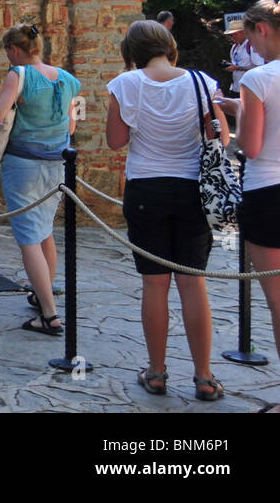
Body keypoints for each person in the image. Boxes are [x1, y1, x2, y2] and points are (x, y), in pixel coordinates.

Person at [106, 20, 229, 401]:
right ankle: (204, 376)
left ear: (132, 51)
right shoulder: (202, 82)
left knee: (154, 283)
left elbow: (115, 141)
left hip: (146, 188)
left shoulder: (124, 84)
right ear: (169, 45)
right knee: (193, 283)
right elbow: (222, 136)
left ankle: (156, 372)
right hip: (193, 188)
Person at [0, 24, 81, 335]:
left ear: (14, 49)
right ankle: (42, 293)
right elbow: (71, 127)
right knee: (45, 230)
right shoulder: (68, 79)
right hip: (56, 164)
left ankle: (49, 315)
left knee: (27, 238)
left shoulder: (18, 75)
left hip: (23, 164)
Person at [235, 0, 280, 411]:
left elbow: (251, 146)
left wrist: (229, 130)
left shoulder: (260, 78)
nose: (251, 47)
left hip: (268, 191)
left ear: (261, 28)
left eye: (250, 38)